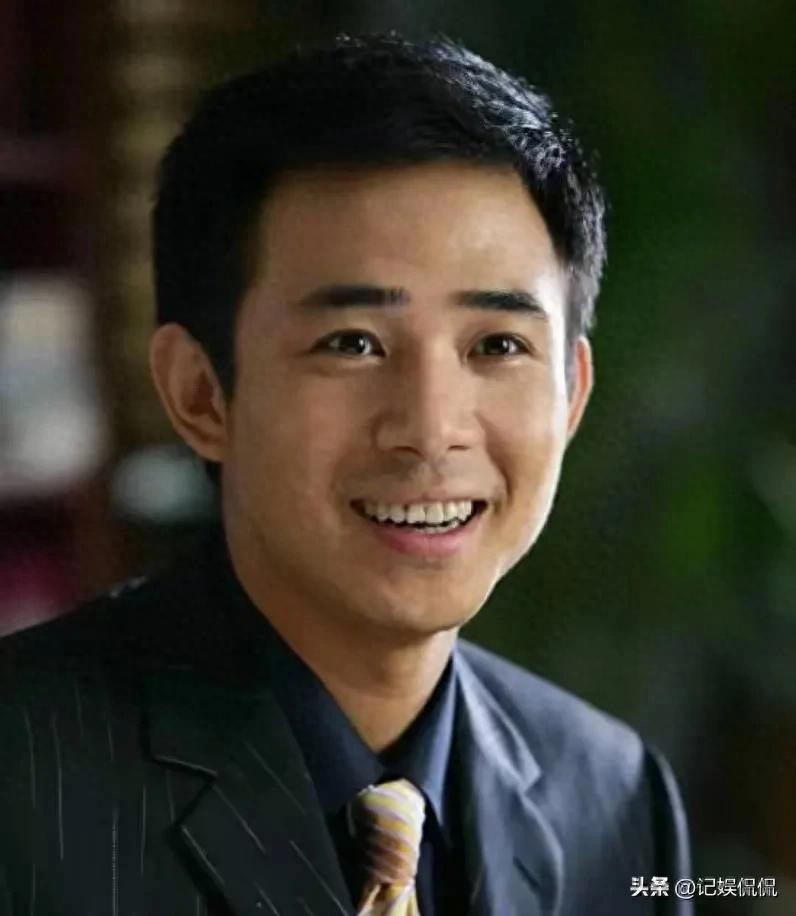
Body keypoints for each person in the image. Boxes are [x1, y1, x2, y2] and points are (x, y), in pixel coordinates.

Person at [0, 34, 692, 916]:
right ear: (201, 393)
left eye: (497, 345)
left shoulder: (618, 801)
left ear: (571, 395)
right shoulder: (22, 776)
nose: (431, 430)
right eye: (353, 343)